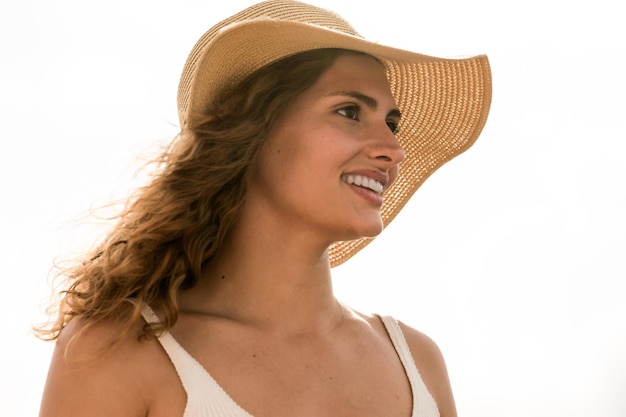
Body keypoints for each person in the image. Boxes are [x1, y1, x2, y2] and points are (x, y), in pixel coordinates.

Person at [36, 1, 492, 416]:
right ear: (254, 133)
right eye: (351, 111)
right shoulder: (118, 352)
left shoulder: (416, 362)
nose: (393, 149)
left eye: (391, 123)